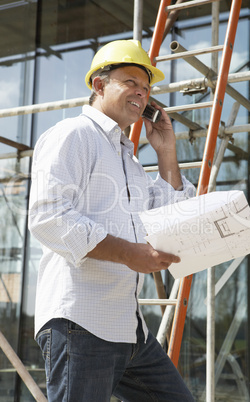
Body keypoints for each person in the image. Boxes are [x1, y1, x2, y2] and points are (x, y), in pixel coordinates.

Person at [29, 39, 196, 401]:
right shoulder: (72, 135)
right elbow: (48, 217)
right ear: (99, 85)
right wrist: (128, 254)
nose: (142, 92)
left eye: (147, 87)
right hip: (81, 324)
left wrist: (166, 150)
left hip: (128, 329)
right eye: (131, 82)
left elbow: (170, 217)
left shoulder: (129, 161)